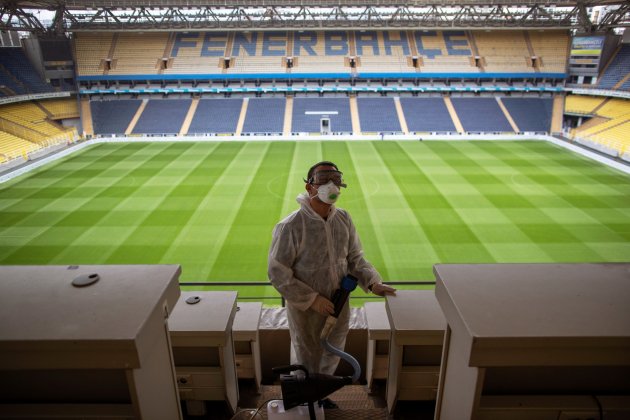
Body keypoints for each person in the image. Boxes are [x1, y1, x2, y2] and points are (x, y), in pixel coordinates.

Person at [268, 161, 396, 407]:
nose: (331, 186)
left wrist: (373, 282)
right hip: (306, 312)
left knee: (332, 352)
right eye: (324, 180)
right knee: (306, 356)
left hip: (339, 304)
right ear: (309, 187)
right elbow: (278, 272)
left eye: (335, 180)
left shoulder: (343, 219)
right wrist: (312, 300)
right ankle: (304, 402)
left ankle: (320, 396)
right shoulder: (291, 226)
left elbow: (354, 259)